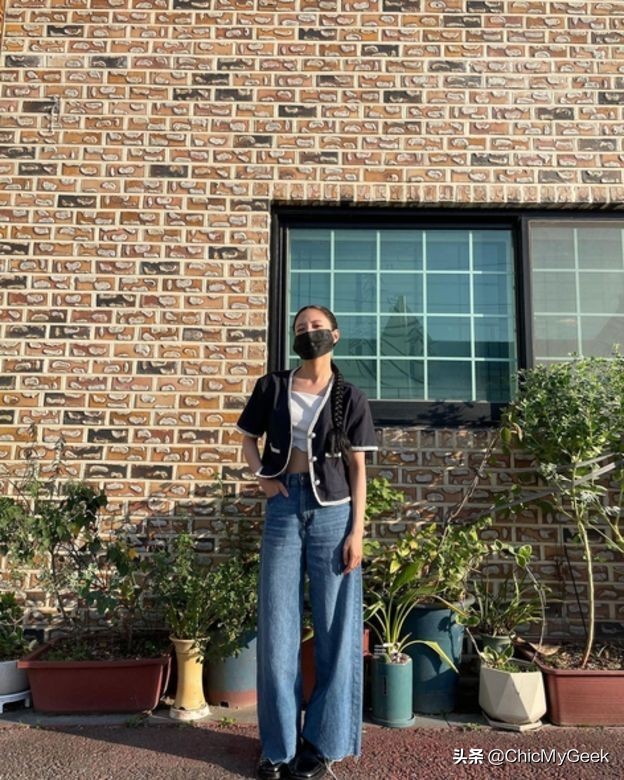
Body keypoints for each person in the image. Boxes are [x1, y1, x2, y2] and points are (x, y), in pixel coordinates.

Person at [236, 304, 378, 780]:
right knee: (278, 629)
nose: (308, 332)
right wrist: (263, 478)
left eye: (317, 327)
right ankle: (277, 748)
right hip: (283, 509)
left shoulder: (350, 396)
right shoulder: (273, 386)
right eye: (301, 328)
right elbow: (247, 438)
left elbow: (358, 468)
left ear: (335, 335)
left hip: (334, 515)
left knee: (336, 631)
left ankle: (322, 742)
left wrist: (357, 531)